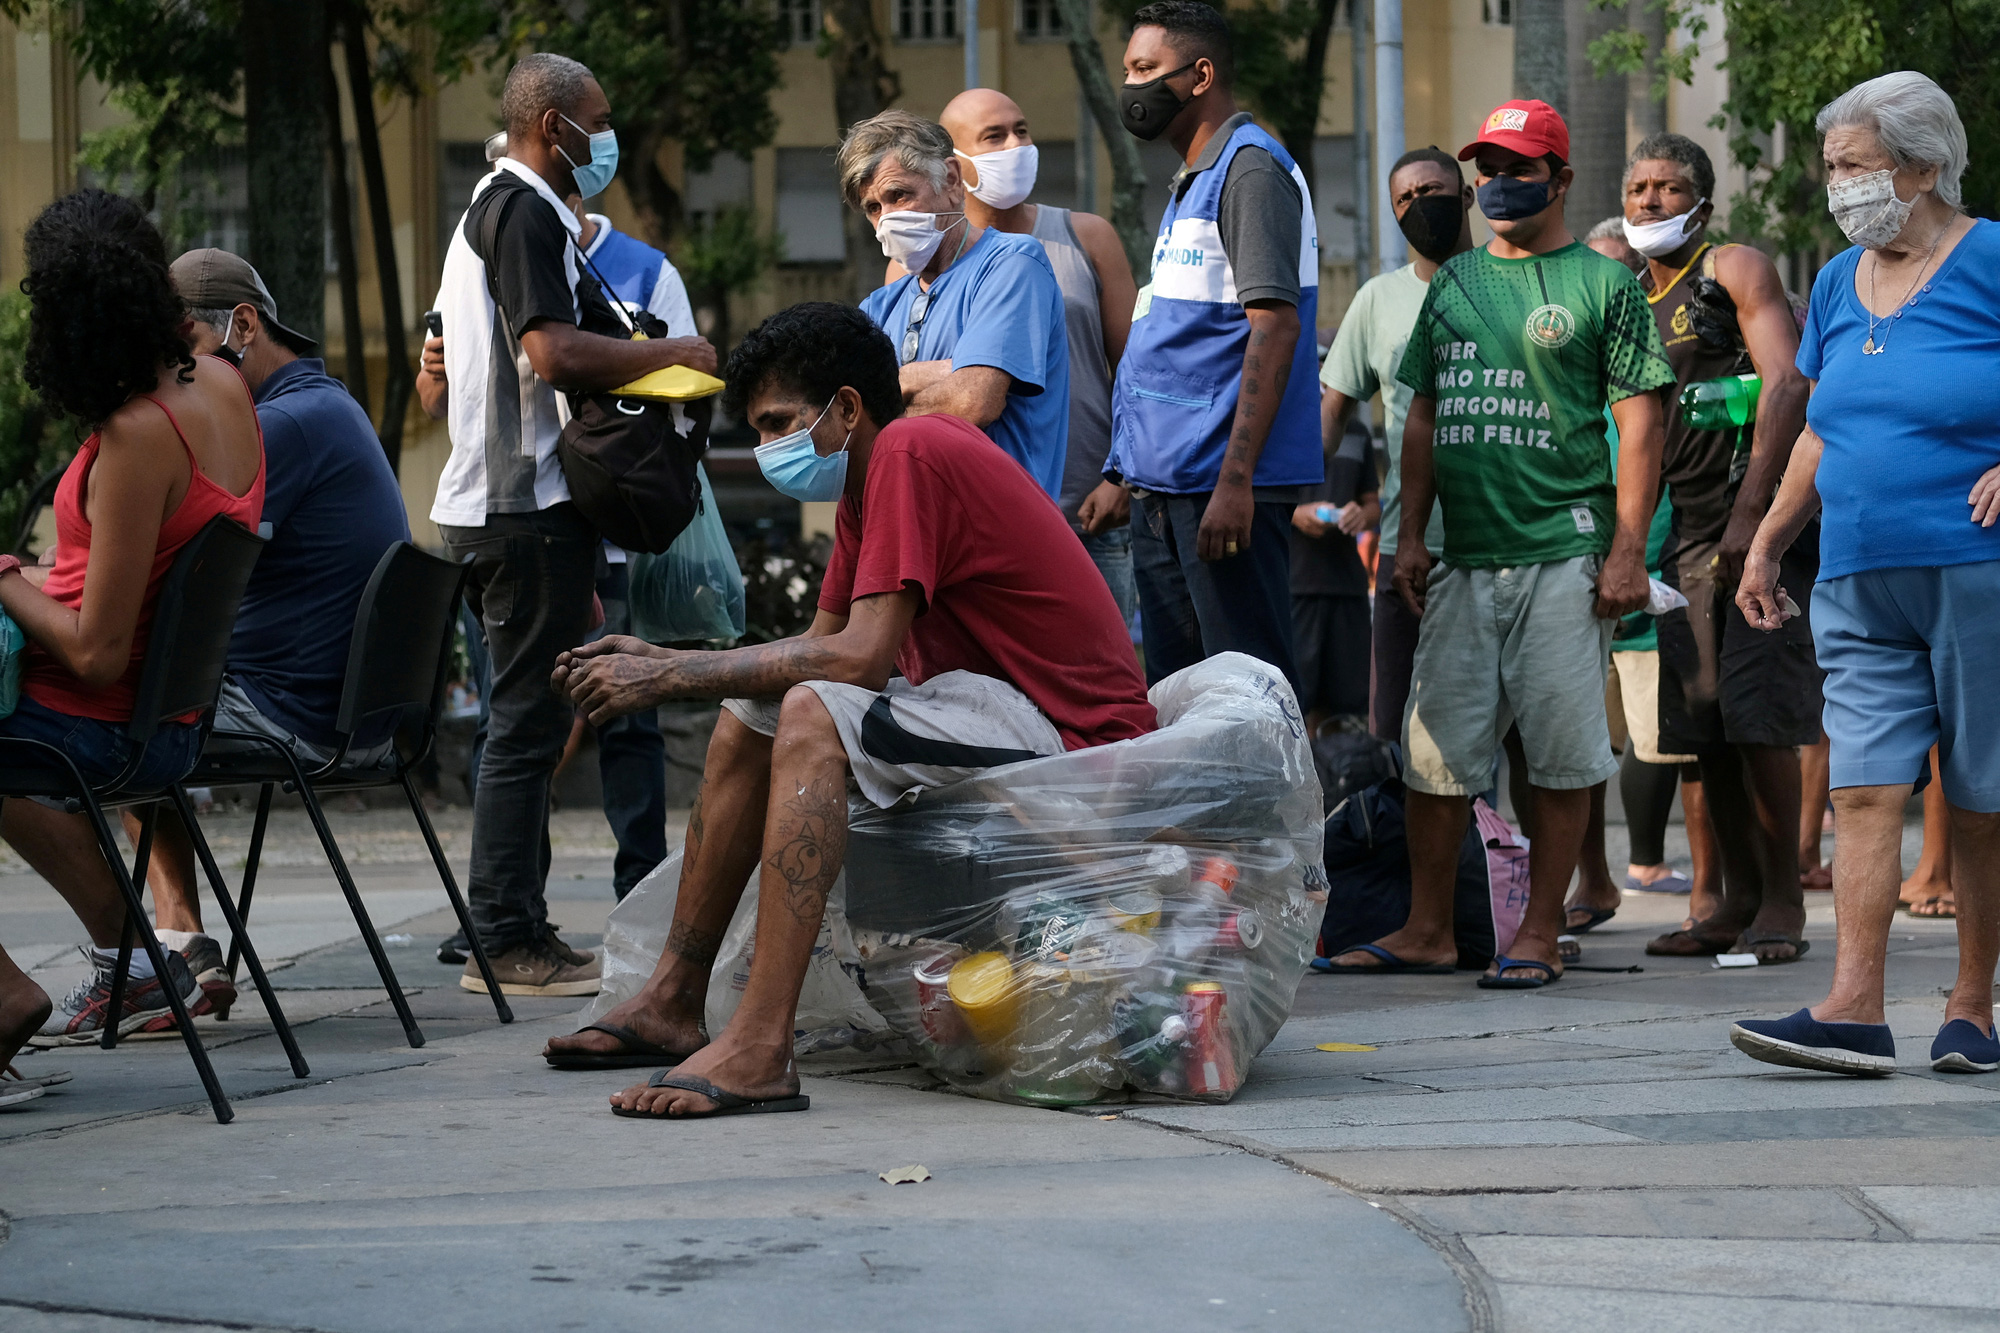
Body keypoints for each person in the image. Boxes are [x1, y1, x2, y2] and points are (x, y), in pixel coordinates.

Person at [537, 303, 1155, 1115]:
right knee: (756, 708)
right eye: (756, 432)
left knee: (807, 713)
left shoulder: (911, 449)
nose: (768, 450)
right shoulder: (869, 486)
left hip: (1075, 745)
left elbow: (854, 661)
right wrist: (671, 661)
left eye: (779, 423)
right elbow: (820, 643)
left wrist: (672, 674)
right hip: (994, 712)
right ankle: (673, 998)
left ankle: (762, 1044)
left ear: (848, 408)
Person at [1322, 100, 1673, 987]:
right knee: (1436, 758)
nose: (1499, 186)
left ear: (1559, 179)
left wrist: (1628, 551)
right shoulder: (1456, 281)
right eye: (1488, 169)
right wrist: (1408, 537)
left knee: (1560, 754)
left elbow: (1641, 426)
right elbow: (1422, 416)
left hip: (1565, 552)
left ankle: (1540, 935)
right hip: (1461, 559)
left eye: (1520, 168)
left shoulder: (1605, 284)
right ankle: (1428, 929)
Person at [427, 52, 716, 995]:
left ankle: (515, 927)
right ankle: (504, 938)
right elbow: (549, 351)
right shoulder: (517, 209)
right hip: (521, 509)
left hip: (513, 509)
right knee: (524, 727)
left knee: (530, 719)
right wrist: (667, 352)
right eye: (599, 120)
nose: (608, 137)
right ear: (556, 128)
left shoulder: (510, 209)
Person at [1730, 73, 2000, 1076]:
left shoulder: (1991, 259)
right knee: (1861, 788)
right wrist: (1763, 539)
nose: (1834, 186)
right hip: (1854, 573)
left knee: (1976, 793)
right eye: (1832, 168)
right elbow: (1817, 423)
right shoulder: (1840, 280)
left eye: (1851, 167)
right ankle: (1853, 1005)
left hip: (1974, 566)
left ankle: (1970, 1004)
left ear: (1921, 166)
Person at [99, 249, 411, 1027]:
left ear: (242, 324)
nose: (176, 383)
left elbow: (157, 558)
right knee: (135, 698)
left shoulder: (275, 425)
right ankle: (183, 942)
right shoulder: (323, 405)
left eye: (183, 359)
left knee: (94, 717)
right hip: (352, 707)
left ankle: (153, 959)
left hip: (297, 714)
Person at [0, 190, 264, 1052]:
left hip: (119, 728)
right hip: (174, 713)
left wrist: (4, 576)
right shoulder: (221, 385)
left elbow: (95, 652)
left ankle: (51, 981)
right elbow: (126, 574)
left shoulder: (136, 435)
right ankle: (131, 957)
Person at [1614, 133, 1818, 965]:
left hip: (1757, 528)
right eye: (1637, 188)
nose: (1649, 201)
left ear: (1700, 200)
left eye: (1667, 188)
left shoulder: (1732, 267)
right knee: (1702, 724)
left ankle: (1784, 903)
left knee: (1759, 715)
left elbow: (1788, 382)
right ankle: (1731, 898)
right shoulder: (1628, 294)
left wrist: (1751, 520)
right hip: (1683, 535)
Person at [1109, 0, 1321, 694]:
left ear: (1200, 75)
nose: (1131, 86)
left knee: (1246, 699)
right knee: (1181, 703)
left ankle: (1270, 811)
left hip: (1220, 490)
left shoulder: (1250, 170)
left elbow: (1274, 324)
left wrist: (1236, 483)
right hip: (1168, 486)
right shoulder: (1194, 179)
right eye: (1127, 70)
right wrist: (1123, 472)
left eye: (1145, 68)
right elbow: (1181, 340)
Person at [936, 87, 1141, 620]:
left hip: (1088, 520)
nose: (1015, 145)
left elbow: (1137, 374)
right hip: (978, 528)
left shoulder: (1088, 237)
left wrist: (1121, 477)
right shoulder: (926, 260)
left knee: (1101, 687)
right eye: (993, 136)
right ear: (954, 165)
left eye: (1020, 130)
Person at [840, 109, 1069, 500]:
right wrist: (930, 375)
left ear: (950, 180)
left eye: (899, 195)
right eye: (874, 208)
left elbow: (972, 401)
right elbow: (844, 432)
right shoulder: (879, 306)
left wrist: (893, 389)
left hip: (996, 528)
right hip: (913, 527)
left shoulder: (1012, 263)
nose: (886, 219)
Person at [1321, 146, 1471, 739]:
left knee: (1505, 732)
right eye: (1404, 198)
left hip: (1505, 544)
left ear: (1467, 197)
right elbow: (1333, 411)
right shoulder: (1376, 300)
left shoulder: (1511, 283)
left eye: (1432, 192)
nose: (1419, 205)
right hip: (1407, 551)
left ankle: (1496, 836)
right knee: (1399, 730)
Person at [1289, 412, 1378, 730]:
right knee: (1293, 702)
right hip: (1294, 584)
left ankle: (1335, 771)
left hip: (1346, 585)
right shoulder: (1279, 421)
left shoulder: (1357, 432)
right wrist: (1295, 514)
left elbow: (1371, 503)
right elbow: (1256, 499)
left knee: (1347, 702)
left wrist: (1361, 515)